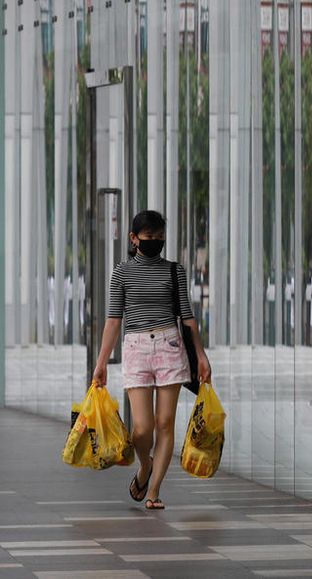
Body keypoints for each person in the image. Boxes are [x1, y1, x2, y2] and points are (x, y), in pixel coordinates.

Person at [92, 210, 212, 511]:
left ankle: (154, 491)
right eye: (149, 237)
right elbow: (113, 320)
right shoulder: (121, 272)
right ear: (134, 239)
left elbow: (187, 317)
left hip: (170, 345)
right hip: (136, 347)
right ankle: (144, 466)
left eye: (160, 237)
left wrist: (201, 355)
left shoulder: (175, 271)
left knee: (165, 423)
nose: (155, 242)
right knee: (143, 428)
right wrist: (102, 362)